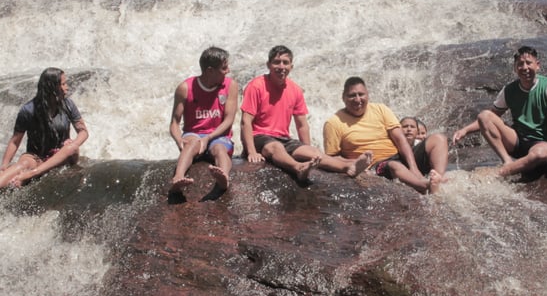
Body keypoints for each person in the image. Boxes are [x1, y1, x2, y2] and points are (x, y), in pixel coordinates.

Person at [241, 45, 367, 182]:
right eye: (277, 62)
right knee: (275, 147)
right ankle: (298, 168)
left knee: (314, 152)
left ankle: (347, 166)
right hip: (259, 137)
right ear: (268, 65)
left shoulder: (295, 90)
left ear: (291, 66)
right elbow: (245, 121)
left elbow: (302, 125)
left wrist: (306, 148)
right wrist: (252, 152)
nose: (281, 66)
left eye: (285, 62)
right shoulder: (256, 86)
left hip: (284, 139)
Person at [451, 46, 547, 178]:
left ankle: (502, 172)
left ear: (537, 65)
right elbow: (491, 116)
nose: (525, 68)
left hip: (542, 142)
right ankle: (507, 161)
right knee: (484, 116)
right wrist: (464, 131)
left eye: (528, 63)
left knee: (540, 154)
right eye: (520, 64)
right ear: (515, 68)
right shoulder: (509, 90)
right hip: (517, 141)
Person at [0, 67, 89, 208]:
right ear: (51, 87)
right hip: (37, 156)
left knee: (72, 148)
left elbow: (83, 132)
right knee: (23, 163)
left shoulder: (68, 105)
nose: (66, 87)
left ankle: (30, 175)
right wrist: (4, 166)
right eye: (63, 84)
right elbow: (15, 140)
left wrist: (73, 142)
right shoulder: (28, 110)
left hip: (62, 156)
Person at [323, 79, 446, 194]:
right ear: (343, 98)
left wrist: (413, 168)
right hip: (376, 166)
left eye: (361, 94)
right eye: (352, 95)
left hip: (399, 156)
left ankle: (437, 177)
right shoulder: (333, 123)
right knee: (394, 165)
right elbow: (332, 157)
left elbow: (400, 139)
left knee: (438, 139)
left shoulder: (380, 109)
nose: (357, 99)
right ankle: (425, 186)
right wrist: (355, 164)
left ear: (368, 95)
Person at [169, 46, 239, 194]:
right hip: (193, 133)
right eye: (224, 68)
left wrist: (208, 137)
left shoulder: (230, 85)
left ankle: (223, 177)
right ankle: (178, 178)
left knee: (219, 149)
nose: (228, 71)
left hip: (219, 134)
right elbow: (174, 122)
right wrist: (179, 140)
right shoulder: (185, 88)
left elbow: (229, 119)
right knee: (191, 144)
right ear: (210, 71)